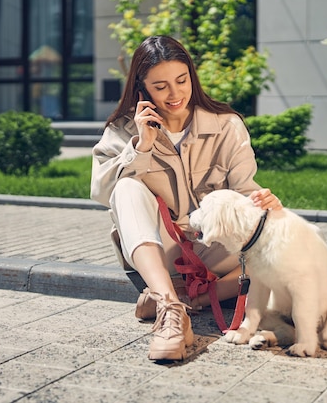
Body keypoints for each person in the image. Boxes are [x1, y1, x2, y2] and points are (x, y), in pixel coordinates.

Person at [90, 36, 282, 361]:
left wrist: (264, 205)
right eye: (161, 86)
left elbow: (244, 192)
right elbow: (102, 192)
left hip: (217, 250)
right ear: (142, 89)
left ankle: (186, 299)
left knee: (278, 251)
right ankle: (170, 311)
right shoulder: (122, 132)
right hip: (163, 250)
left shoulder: (226, 126)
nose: (175, 94)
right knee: (126, 186)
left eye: (182, 80)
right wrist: (142, 146)